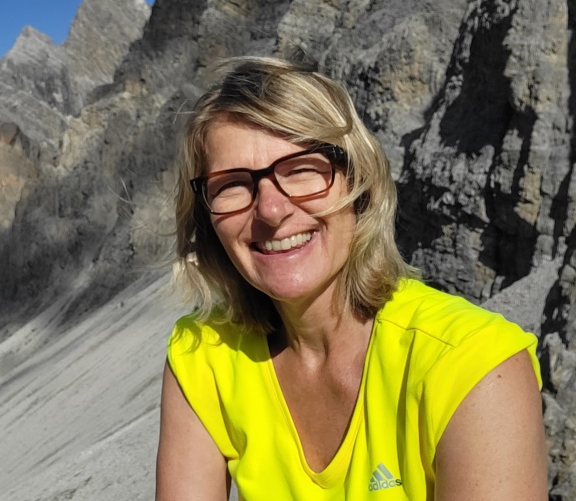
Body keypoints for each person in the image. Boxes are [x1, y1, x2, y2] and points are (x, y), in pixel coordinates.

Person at [156, 57, 547, 500]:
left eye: (302, 169)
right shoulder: (203, 356)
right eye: (232, 185)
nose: (271, 210)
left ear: (358, 182)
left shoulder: (474, 367)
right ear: (207, 218)